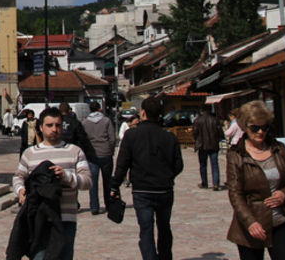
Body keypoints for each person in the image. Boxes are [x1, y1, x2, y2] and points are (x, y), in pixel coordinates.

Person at [9, 107, 91, 260]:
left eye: (58, 125)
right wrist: (20, 190)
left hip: (65, 219)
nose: (54, 129)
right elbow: (18, 177)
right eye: (50, 125)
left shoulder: (74, 151)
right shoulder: (30, 153)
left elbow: (87, 181)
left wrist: (67, 176)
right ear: (41, 127)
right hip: (38, 219)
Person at [225, 100, 285, 260]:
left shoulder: (279, 149)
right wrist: (250, 221)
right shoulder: (236, 155)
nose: (260, 132)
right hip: (252, 224)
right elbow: (235, 193)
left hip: (281, 220)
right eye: (255, 127)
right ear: (245, 126)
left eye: (265, 127)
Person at [110, 98, 183, 260]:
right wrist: (167, 176)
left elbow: (122, 164)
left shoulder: (131, 135)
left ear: (142, 113)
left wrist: (114, 186)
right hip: (164, 190)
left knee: (146, 230)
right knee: (164, 228)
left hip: (142, 190)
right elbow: (179, 165)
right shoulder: (170, 137)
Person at [82, 101, 117, 215]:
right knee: (107, 182)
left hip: (92, 154)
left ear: (90, 110)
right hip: (105, 153)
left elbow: (84, 140)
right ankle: (108, 204)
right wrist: (110, 150)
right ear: (99, 109)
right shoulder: (106, 121)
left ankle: (94, 207)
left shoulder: (85, 122)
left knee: (93, 182)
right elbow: (112, 138)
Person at [193, 106, 224, 191]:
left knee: (203, 165)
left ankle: (204, 183)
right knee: (215, 164)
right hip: (214, 145)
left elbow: (195, 133)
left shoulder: (197, 121)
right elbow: (220, 132)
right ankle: (216, 183)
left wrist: (197, 140)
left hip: (202, 146)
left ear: (201, 110)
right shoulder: (215, 120)